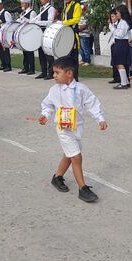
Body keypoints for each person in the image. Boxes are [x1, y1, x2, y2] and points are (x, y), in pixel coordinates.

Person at [39, 56, 107, 203]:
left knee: (69, 155)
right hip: (63, 129)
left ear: (69, 73)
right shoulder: (54, 90)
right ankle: (83, 189)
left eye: (57, 72)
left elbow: (92, 103)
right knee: (76, 157)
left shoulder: (81, 89)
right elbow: (47, 104)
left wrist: (100, 119)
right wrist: (45, 115)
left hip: (77, 128)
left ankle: (57, 177)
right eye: (54, 72)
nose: (54, 75)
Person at [33, 0, 56, 80]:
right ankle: (43, 72)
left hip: (47, 32)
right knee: (41, 53)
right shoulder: (42, 9)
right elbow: (38, 19)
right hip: (41, 32)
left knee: (48, 54)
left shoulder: (51, 9)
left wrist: (37, 22)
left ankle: (51, 73)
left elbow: (50, 22)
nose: (41, 0)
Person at [61, 0, 82, 81]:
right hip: (66, 34)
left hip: (73, 34)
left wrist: (64, 23)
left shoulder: (76, 5)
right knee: (67, 58)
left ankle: (75, 78)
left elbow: (76, 19)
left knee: (73, 58)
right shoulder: (66, 6)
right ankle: (68, 76)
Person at [110, 6, 132, 89]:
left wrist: (112, 28)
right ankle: (125, 81)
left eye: (117, 13)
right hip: (119, 42)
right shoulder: (121, 22)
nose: (116, 15)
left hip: (121, 43)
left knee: (120, 63)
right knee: (119, 63)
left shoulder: (124, 22)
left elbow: (120, 34)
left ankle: (123, 83)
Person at [18, 0, 37, 75]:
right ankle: (25, 68)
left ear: (27, 4)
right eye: (21, 3)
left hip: (30, 34)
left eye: (23, 3)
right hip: (23, 34)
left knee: (29, 52)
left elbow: (33, 23)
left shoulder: (32, 12)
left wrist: (26, 20)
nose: (21, 5)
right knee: (25, 52)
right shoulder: (22, 13)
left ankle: (31, 69)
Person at [0, 0, 13, 72]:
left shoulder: (6, 13)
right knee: (0, 50)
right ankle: (3, 64)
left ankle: (8, 65)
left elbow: (9, 23)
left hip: (4, 34)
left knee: (5, 50)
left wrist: (3, 25)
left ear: (1, 5)